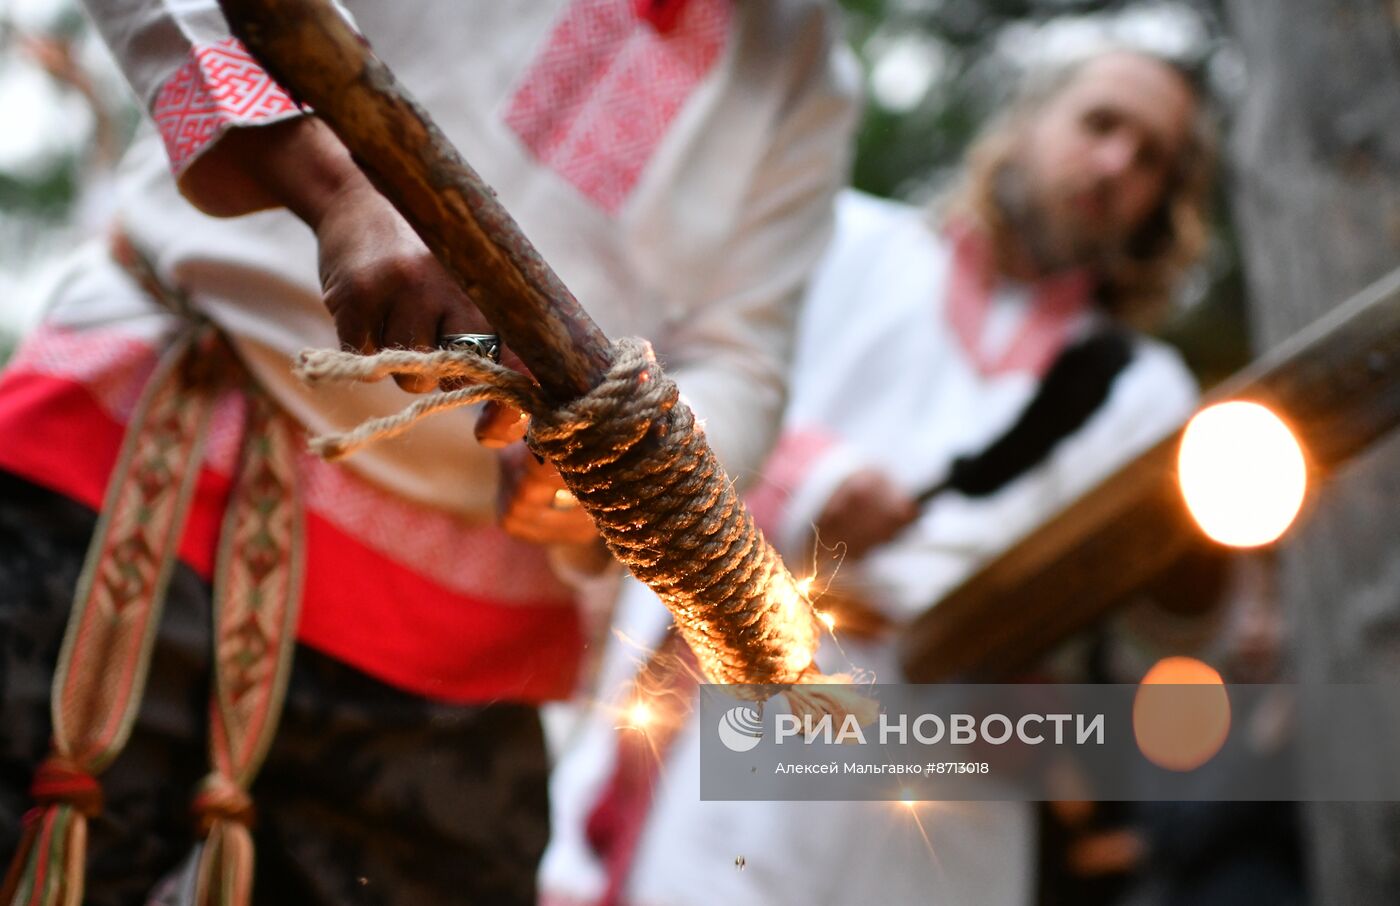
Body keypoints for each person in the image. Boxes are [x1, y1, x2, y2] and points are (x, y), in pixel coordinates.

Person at [0, 1, 858, 903]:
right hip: (147, 474)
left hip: (468, 649)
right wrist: (336, 186)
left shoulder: (801, 67)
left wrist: (611, 479)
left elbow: (743, 364)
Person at [539, 47, 1215, 906]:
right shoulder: (841, 238)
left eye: (1151, 155)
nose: (1117, 163)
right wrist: (807, 480)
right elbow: (663, 387)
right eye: (1100, 123)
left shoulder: (1152, 395)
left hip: (945, 788)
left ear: (1165, 201)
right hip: (746, 714)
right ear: (1030, 120)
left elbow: (1173, 638)